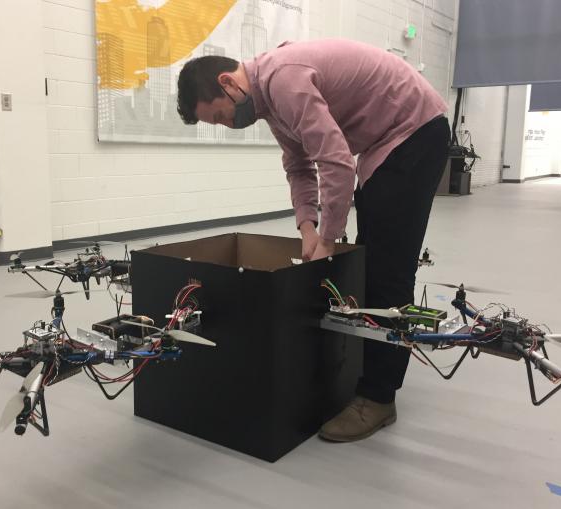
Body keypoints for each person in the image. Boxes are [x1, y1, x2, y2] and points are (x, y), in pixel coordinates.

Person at [176, 38, 450, 442]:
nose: (228, 126)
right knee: (370, 257)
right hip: (386, 141)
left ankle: (378, 398)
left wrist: (328, 239)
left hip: (413, 131)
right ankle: (369, 368)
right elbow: (299, 166)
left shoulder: (285, 80)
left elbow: (335, 161)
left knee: (386, 268)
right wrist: (307, 228)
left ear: (228, 83)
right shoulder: (270, 102)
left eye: (220, 117)